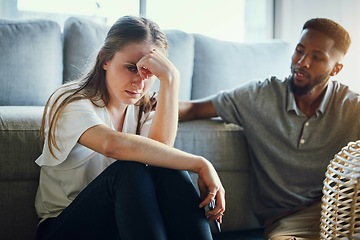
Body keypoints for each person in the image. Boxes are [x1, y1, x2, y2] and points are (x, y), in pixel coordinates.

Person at [35, 15, 225, 240]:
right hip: (64, 227)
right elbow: (111, 145)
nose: (140, 81)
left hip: (120, 226)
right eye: (131, 68)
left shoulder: (143, 108)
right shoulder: (70, 100)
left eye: (149, 72)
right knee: (128, 171)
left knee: (167, 167)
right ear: (104, 59)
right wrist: (200, 164)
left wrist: (171, 80)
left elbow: (160, 155)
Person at [179, 18, 360, 240]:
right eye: (299, 51)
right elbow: (193, 109)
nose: (302, 62)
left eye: (317, 57)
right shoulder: (260, 95)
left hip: (340, 216)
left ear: (336, 69)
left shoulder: (351, 106)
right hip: (288, 223)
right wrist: (147, 102)